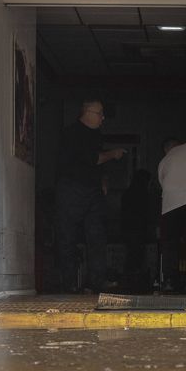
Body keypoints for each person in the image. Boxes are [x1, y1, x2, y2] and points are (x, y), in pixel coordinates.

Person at [54, 99, 125, 293]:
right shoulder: (72, 133)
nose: (103, 118)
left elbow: (96, 163)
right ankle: (68, 283)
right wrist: (113, 154)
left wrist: (103, 180)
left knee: (97, 235)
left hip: (91, 189)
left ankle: (97, 281)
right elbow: (92, 158)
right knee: (67, 236)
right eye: (100, 114)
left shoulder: (95, 134)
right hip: (72, 188)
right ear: (87, 112)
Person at [157, 137, 186, 293]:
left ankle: (170, 280)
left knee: (170, 243)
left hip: (171, 205)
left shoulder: (166, 160)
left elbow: (162, 183)